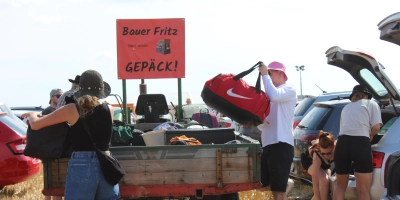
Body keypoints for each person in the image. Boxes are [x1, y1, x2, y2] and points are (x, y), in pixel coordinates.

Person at [21, 70, 120, 200]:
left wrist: (32, 115)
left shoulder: (71, 109)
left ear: (79, 88)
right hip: (106, 163)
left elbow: (36, 125)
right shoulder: (109, 109)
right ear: (101, 91)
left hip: (82, 164)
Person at [333, 85, 382, 200]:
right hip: (360, 142)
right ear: (366, 96)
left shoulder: (346, 108)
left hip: (342, 143)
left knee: (340, 186)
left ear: (353, 96)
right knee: (363, 189)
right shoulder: (371, 104)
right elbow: (376, 126)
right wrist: (370, 135)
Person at [258, 61, 297, 200]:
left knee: (278, 191)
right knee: (266, 186)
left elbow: (274, 95)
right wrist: (260, 121)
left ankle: (285, 184)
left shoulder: (289, 89)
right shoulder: (271, 95)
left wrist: (264, 75)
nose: (267, 76)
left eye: (270, 73)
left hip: (281, 144)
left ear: (281, 73)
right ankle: (286, 183)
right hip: (269, 145)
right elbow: (263, 125)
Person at [305, 131, 335, 200]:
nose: (326, 156)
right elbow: (315, 183)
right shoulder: (317, 154)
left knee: (328, 185)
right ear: (320, 149)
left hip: (324, 164)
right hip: (309, 161)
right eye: (323, 153)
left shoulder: (337, 151)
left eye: (329, 153)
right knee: (324, 181)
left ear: (333, 147)